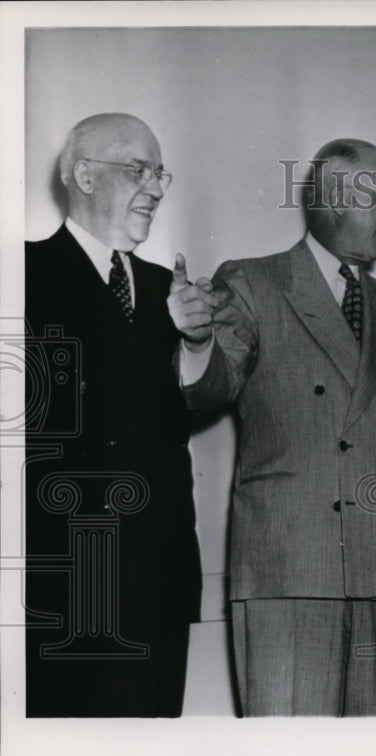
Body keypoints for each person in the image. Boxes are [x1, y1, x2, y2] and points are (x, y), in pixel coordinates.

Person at [178, 139, 376, 716]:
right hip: (289, 573)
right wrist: (198, 340)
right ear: (336, 200)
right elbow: (210, 389)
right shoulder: (255, 283)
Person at [24, 113, 211, 716]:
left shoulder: (169, 291)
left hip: (159, 580)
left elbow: (192, 414)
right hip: (65, 589)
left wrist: (197, 342)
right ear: (83, 174)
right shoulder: (20, 274)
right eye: (138, 170)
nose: (155, 188)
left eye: (160, 174)